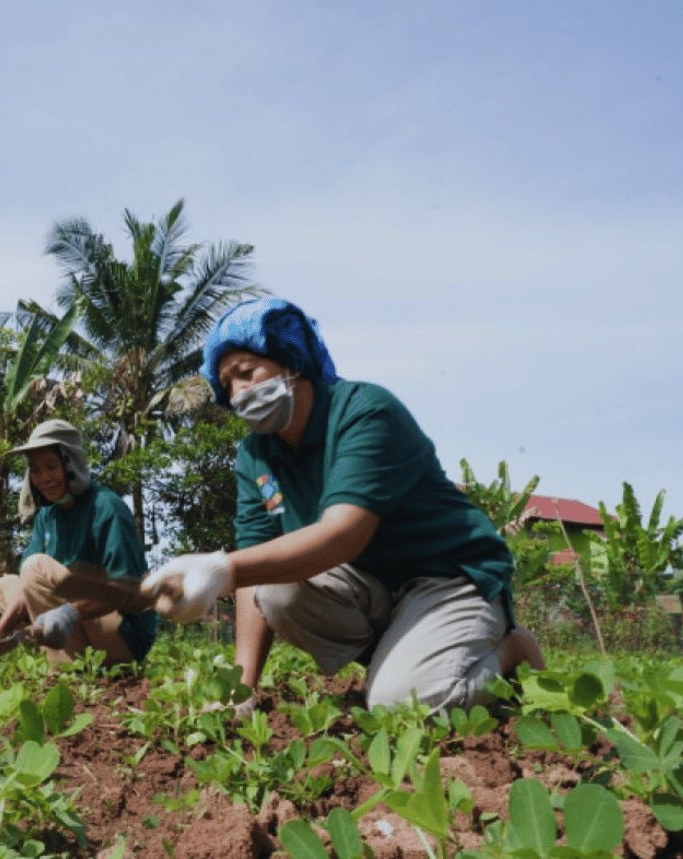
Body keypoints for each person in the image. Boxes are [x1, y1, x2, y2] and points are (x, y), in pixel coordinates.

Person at [140, 298, 544, 714]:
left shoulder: (364, 412)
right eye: (227, 386)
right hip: (372, 586)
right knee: (275, 587)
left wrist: (221, 569)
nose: (238, 391)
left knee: (402, 707)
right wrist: (238, 694)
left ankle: (511, 650)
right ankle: (402, 661)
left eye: (247, 372)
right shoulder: (254, 456)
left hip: (447, 577)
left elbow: (344, 533)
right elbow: (251, 571)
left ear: (291, 360)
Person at [0, 419, 158, 666]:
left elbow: (128, 589)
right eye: (35, 470)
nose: (44, 477)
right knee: (6, 585)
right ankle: (63, 652)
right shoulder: (47, 515)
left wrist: (71, 612)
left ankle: (66, 664)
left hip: (122, 633)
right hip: (78, 625)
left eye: (51, 466)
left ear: (72, 464)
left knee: (34, 567)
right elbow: (27, 587)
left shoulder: (106, 507)